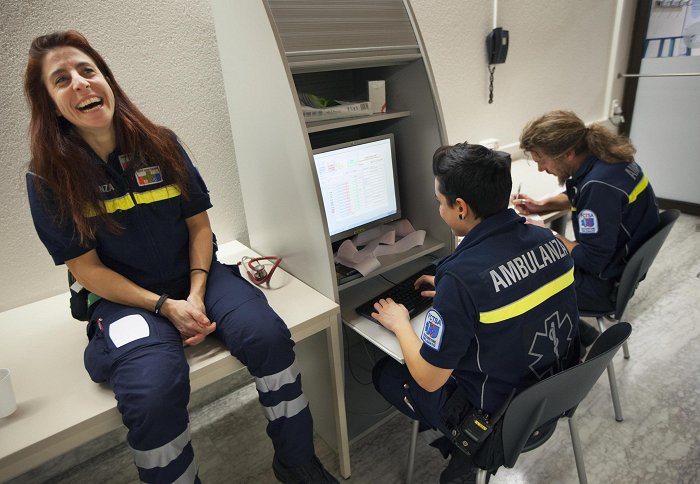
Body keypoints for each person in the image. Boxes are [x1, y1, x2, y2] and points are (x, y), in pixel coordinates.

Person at [24, 30, 336, 484]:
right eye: (62, 79)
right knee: (151, 392)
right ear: (49, 102)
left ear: (107, 79)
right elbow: (86, 269)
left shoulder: (160, 143)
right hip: (127, 300)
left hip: (197, 276)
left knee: (267, 336)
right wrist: (164, 307)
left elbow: (198, 225)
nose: (81, 83)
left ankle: (297, 461)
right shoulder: (48, 178)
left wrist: (194, 291)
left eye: (88, 70)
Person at [371, 144, 580, 483]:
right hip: (550, 394)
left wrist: (399, 323)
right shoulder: (550, 240)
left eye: (441, 203)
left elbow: (428, 378)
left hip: (496, 419)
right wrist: (462, 299)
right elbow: (515, 286)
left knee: (386, 373)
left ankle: (464, 446)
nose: (440, 210)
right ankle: (462, 453)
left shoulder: (461, 275)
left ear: (462, 208)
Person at [514, 110, 660, 346]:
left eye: (541, 159)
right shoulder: (608, 161)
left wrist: (547, 233)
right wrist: (542, 205)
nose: (540, 168)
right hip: (620, 270)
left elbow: (591, 260)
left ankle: (571, 342)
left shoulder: (599, 186)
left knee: (520, 281)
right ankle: (578, 331)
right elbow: (585, 195)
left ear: (568, 154)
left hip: (601, 286)